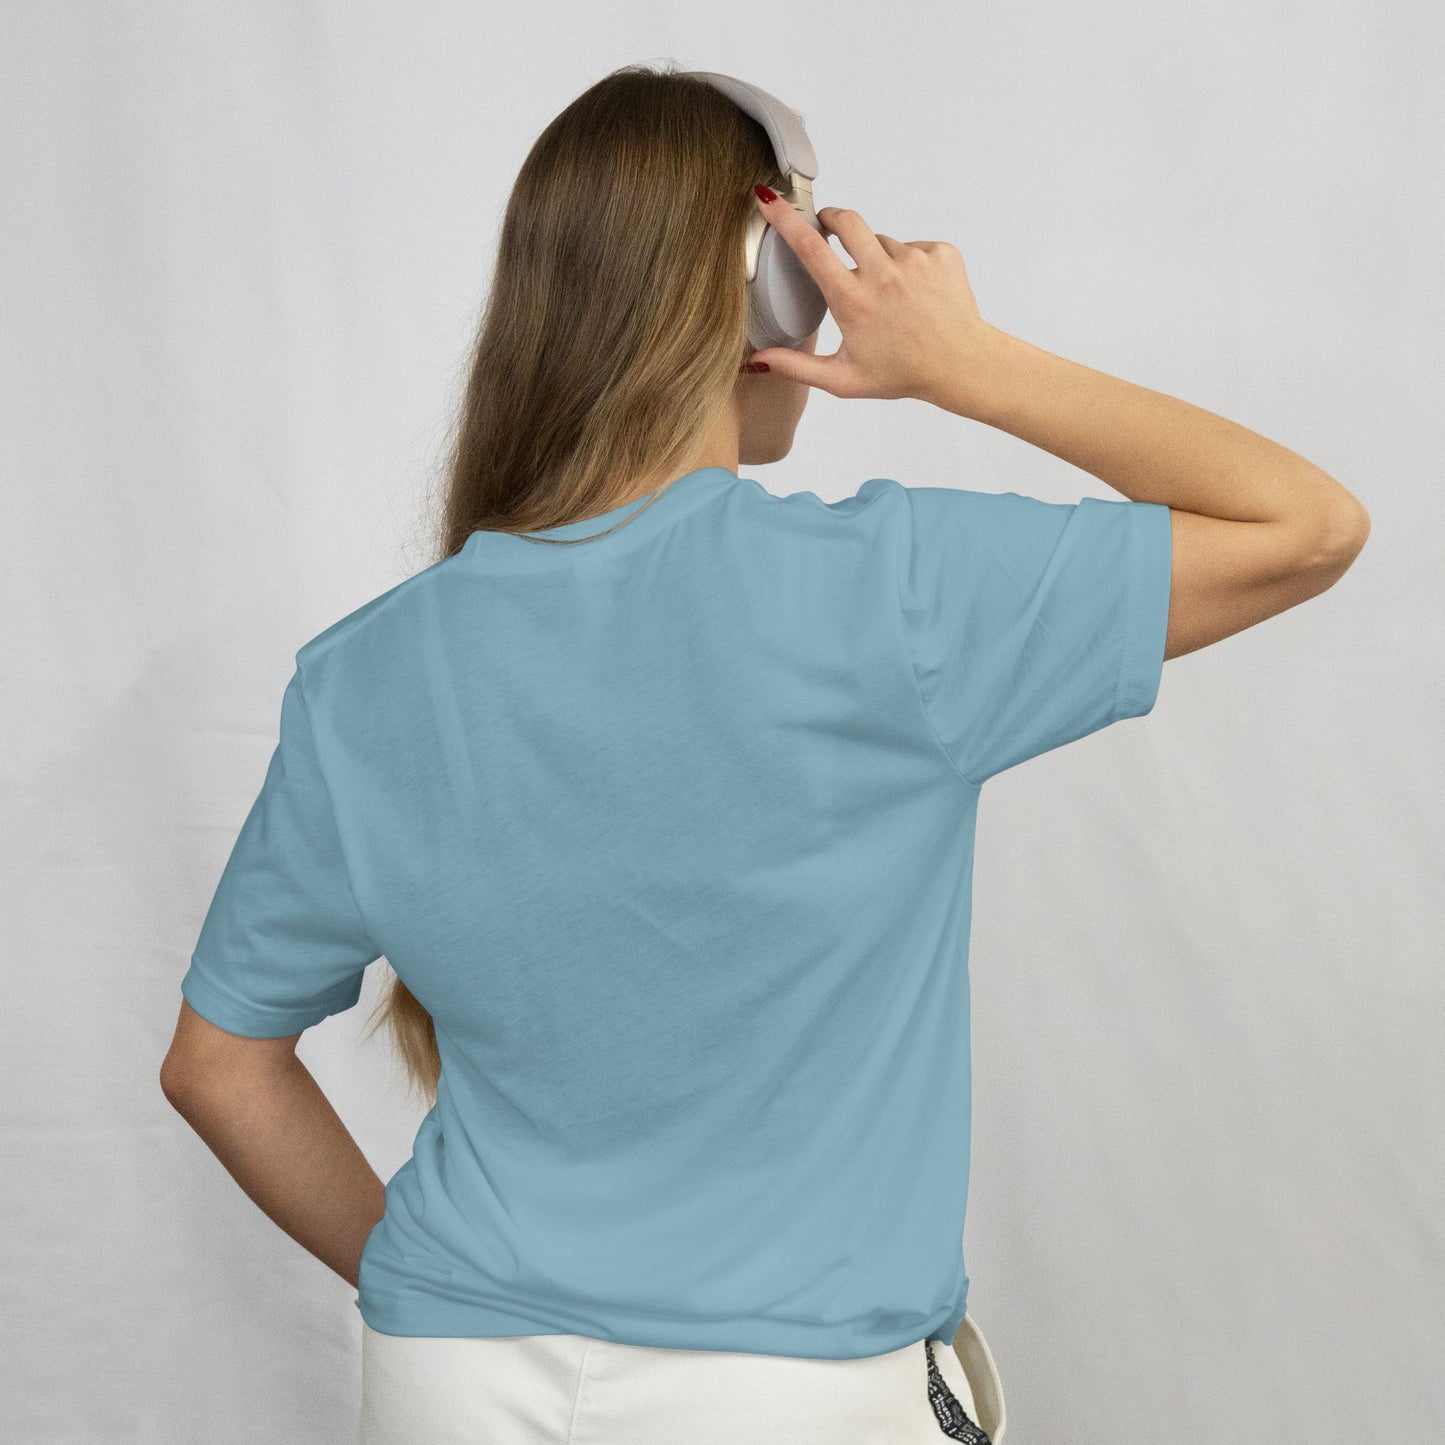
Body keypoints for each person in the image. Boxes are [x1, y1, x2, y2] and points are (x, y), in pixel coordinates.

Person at [159, 63, 1369, 1445]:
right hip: (791, 1399)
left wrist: (439, 1287)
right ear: (764, 281)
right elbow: (1303, 525)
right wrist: (965, 364)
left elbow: (217, 1063)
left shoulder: (363, 672)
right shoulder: (887, 591)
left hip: (449, 1376)